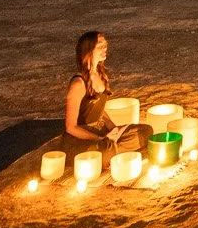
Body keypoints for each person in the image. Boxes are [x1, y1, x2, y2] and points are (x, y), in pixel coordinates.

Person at [63, 30, 149, 159]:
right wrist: (100, 139)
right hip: (81, 138)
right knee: (105, 151)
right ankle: (109, 153)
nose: (105, 48)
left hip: (101, 131)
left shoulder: (101, 76)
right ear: (89, 50)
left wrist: (115, 130)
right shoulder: (78, 83)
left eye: (105, 45)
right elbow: (71, 127)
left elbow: (100, 110)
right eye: (100, 46)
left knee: (145, 131)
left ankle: (112, 150)